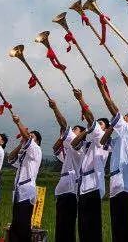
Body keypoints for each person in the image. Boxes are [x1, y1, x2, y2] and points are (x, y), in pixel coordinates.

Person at [96, 75, 128, 242]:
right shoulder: (119, 135)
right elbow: (102, 140)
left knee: (125, 226)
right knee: (116, 226)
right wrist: (112, 125)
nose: (125, 117)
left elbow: (112, 108)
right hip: (115, 182)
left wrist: (102, 89)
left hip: (125, 184)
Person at [71, 88, 108, 242]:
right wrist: (85, 132)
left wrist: (81, 99)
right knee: (83, 225)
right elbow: (74, 143)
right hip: (84, 185)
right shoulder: (89, 142)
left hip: (94, 184)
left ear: (104, 128)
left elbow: (91, 119)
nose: (96, 125)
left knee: (92, 226)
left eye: (101, 124)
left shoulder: (101, 137)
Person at [48, 99, 82, 242]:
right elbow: (55, 149)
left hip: (71, 190)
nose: (72, 131)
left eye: (75, 130)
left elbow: (63, 125)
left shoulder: (79, 147)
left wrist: (55, 108)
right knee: (60, 225)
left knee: (67, 226)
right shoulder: (68, 151)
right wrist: (62, 137)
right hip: (62, 189)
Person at [7, 116, 42, 242]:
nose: (28, 137)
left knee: (23, 224)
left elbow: (27, 138)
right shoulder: (24, 155)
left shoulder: (36, 150)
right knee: (15, 223)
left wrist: (18, 123)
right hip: (18, 191)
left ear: (36, 142)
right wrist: (20, 144)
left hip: (27, 191)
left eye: (32, 136)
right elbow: (10, 158)